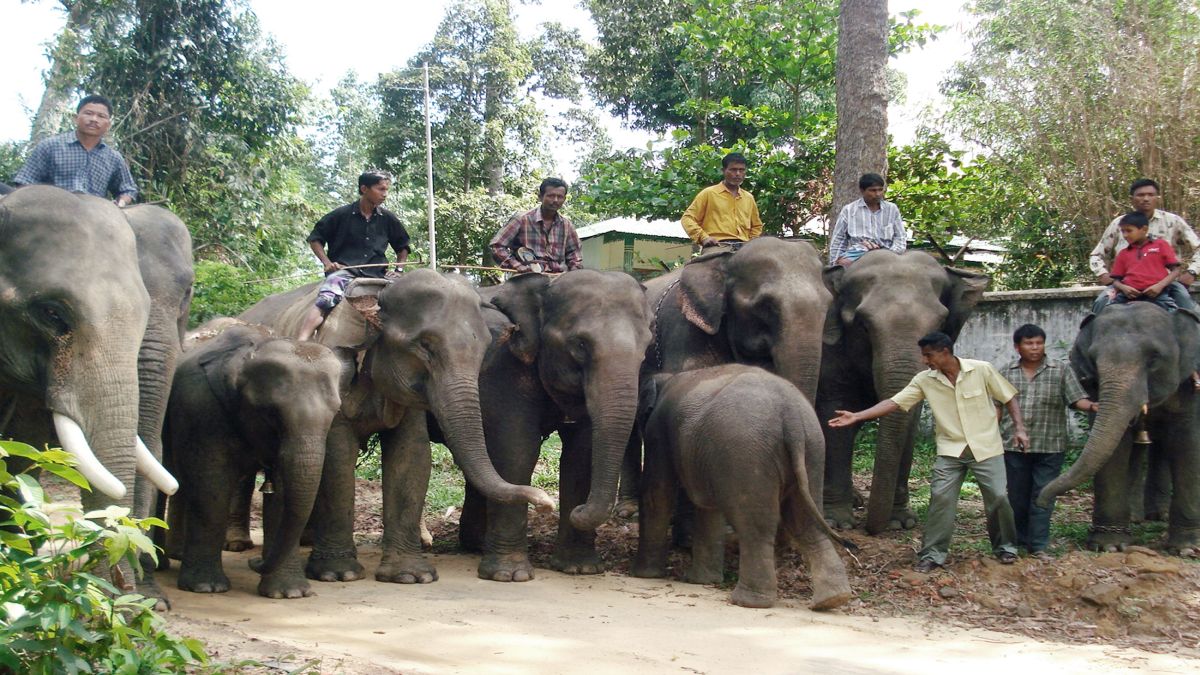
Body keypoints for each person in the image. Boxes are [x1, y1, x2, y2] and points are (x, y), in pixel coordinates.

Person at [828, 331, 1028, 572]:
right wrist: (857, 415)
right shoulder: (925, 380)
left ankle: (1005, 548)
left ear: (945, 352)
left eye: (928, 355)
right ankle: (933, 554)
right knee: (941, 499)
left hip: (986, 448)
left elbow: (1008, 397)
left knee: (998, 497)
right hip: (951, 451)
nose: (925, 360)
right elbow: (894, 402)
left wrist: (1019, 428)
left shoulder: (982, 369)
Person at [998, 324, 1097, 561]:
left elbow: (1076, 399)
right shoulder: (1005, 372)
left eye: (1039, 343)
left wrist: (1093, 406)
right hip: (1013, 446)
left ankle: (1039, 545)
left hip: (1050, 445)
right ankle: (1015, 543)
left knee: (1043, 496)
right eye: (1029, 343)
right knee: (1016, 498)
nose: (1034, 348)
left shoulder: (1060, 370)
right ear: (1017, 347)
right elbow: (996, 406)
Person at [296, 170, 410, 341]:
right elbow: (315, 239)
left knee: (409, 297)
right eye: (380, 189)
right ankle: (301, 340)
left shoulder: (387, 218)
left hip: (379, 273)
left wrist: (399, 269)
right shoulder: (340, 215)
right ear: (364, 189)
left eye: (386, 190)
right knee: (326, 300)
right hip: (346, 271)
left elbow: (403, 246)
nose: (385, 194)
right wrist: (327, 263)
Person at [1090, 178, 1198, 311]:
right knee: (1100, 304)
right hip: (1125, 285)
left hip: (1165, 284)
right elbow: (1096, 255)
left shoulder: (1173, 221)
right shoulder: (1119, 223)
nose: (1146, 199)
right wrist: (1105, 276)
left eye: (1150, 195)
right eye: (1140, 195)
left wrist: (1192, 272)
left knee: (1187, 306)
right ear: (1132, 199)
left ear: (1157, 197)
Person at [13, 94, 137, 206]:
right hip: (51, 214)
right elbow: (25, 182)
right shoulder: (50, 146)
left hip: (94, 218)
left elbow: (128, 189)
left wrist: (121, 203)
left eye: (101, 116)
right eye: (88, 113)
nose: (94, 119)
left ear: (108, 125)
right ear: (76, 118)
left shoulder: (113, 157)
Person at [1092, 211, 1185, 314]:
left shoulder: (1161, 245)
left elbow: (1175, 270)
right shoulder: (1123, 254)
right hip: (1127, 296)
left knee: (1178, 317)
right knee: (1104, 313)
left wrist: (1159, 286)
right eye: (1123, 231)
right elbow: (1116, 280)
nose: (1125, 235)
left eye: (1129, 231)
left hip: (1157, 294)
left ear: (1144, 229)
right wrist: (1124, 288)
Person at [490, 177, 582, 273]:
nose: (555, 200)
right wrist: (517, 266)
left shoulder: (567, 225)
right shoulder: (521, 219)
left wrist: (574, 272)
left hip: (558, 280)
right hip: (527, 278)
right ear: (540, 197)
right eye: (551, 196)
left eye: (560, 197)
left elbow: (574, 255)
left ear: (564, 199)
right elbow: (497, 246)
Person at [680, 152, 763, 249]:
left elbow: (757, 226)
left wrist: (751, 242)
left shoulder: (749, 198)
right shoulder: (708, 193)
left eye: (741, 170)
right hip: (717, 246)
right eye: (733, 170)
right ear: (723, 171)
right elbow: (687, 219)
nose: (737, 174)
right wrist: (704, 237)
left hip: (744, 248)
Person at [828, 172, 907, 266]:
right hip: (858, 253)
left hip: (887, 252)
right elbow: (839, 239)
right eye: (872, 190)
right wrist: (835, 263)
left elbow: (900, 237)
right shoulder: (849, 210)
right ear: (862, 190)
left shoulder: (892, 209)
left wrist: (891, 254)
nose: (877, 194)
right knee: (843, 266)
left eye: (880, 190)